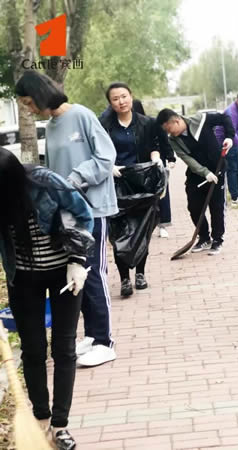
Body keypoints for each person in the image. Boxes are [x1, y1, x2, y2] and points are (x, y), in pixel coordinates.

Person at [16, 70, 119, 367]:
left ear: (40, 94)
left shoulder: (82, 115)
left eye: (29, 102)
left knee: (93, 272)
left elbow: (105, 157)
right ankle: (92, 335)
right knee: (76, 273)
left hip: (93, 209)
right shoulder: (51, 126)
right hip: (68, 214)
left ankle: (105, 342)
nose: (28, 109)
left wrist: (73, 179)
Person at [0, 147, 94, 450]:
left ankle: (60, 425)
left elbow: (84, 214)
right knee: (33, 348)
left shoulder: (45, 181)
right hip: (22, 277)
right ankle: (41, 418)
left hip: (63, 273)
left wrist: (77, 260)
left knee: (64, 347)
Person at [100, 82, 173, 297]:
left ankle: (140, 274)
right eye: (115, 99)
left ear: (131, 97)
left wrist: (156, 159)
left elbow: (154, 146)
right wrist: (109, 166)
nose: (121, 101)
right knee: (120, 233)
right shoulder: (104, 125)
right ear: (110, 103)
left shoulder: (147, 123)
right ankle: (124, 278)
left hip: (142, 182)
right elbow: (96, 150)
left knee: (142, 229)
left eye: (124, 96)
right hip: (117, 182)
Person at [157, 108, 234, 255]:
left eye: (169, 129)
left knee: (216, 206)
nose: (169, 133)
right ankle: (204, 237)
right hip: (196, 173)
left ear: (176, 121)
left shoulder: (201, 120)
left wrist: (229, 137)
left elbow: (225, 118)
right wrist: (205, 173)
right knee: (194, 206)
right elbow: (187, 159)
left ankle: (217, 239)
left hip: (217, 168)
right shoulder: (173, 140)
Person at [215, 90, 238, 204]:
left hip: (231, 142)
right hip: (226, 143)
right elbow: (232, 133)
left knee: (235, 169)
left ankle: (235, 194)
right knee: (233, 169)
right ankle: (235, 197)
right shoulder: (232, 113)